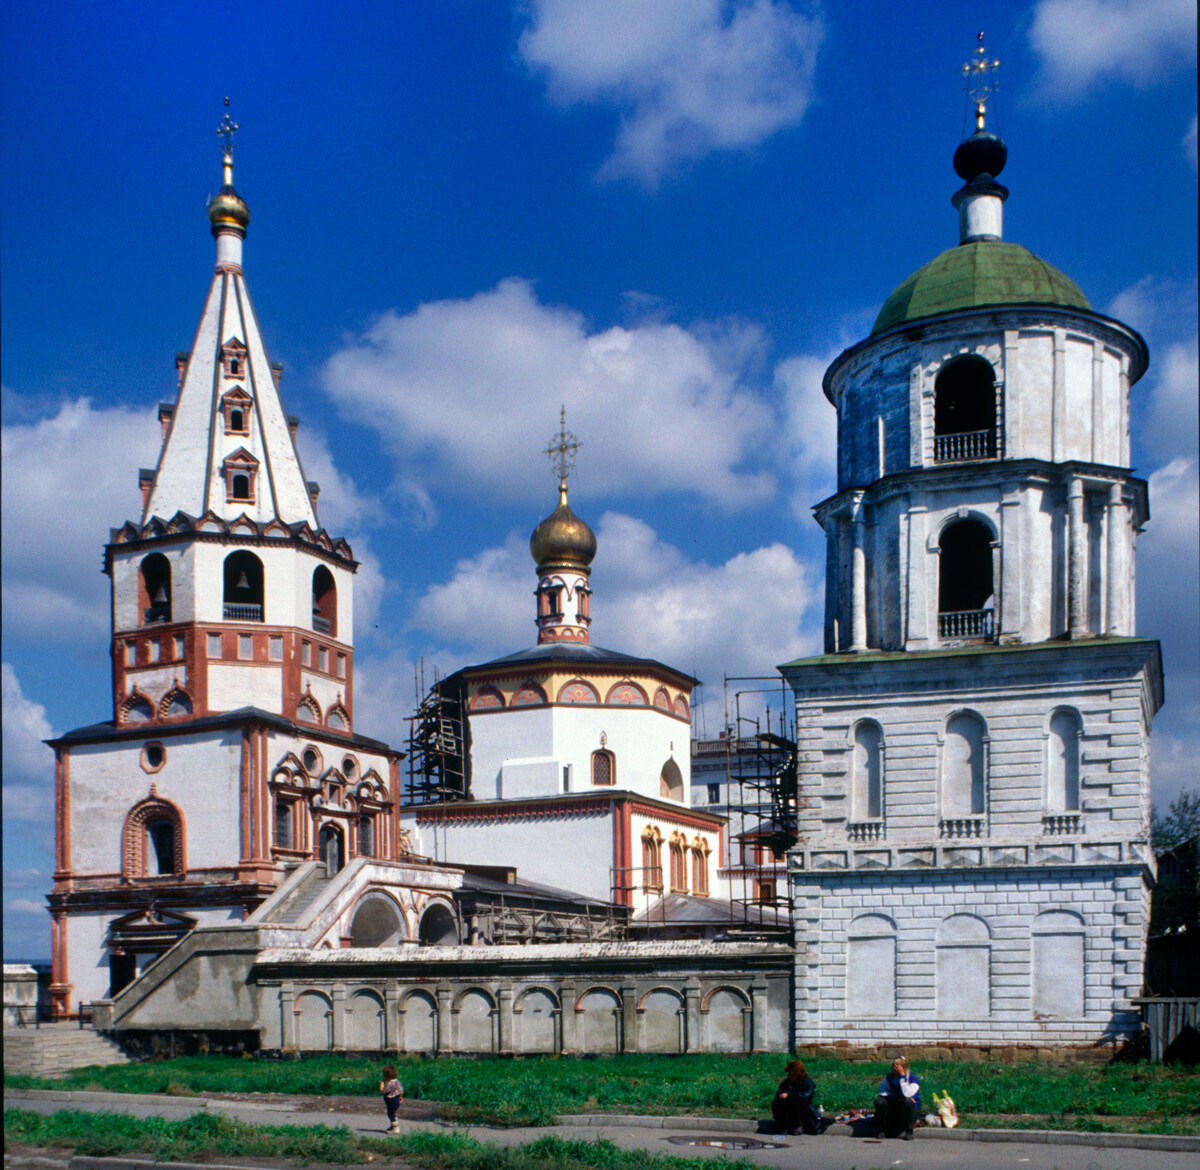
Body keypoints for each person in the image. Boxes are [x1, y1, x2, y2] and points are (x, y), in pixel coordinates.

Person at [874, 1056, 920, 1139]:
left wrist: (902, 1077)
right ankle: (885, 1130)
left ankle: (909, 1131)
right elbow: (883, 1093)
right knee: (879, 1102)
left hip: (909, 1112)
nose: (895, 1070)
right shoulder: (890, 1077)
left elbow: (906, 1093)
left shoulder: (913, 1079)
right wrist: (897, 1098)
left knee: (907, 1102)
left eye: (897, 1068)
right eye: (893, 1067)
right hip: (894, 1109)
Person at [772, 1059, 821, 1135]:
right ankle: (784, 1126)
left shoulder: (807, 1082)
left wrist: (790, 1095)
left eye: (790, 1073)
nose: (788, 1075)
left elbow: (805, 1096)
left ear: (797, 1073)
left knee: (798, 1102)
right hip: (788, 1112)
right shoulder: (786, 1083)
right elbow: (779, 1094)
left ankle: (799, 1126)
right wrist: (781, 1096)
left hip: (804, 1112)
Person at [379, 1064, 404, 1134]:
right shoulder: (397, 1082)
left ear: (387, 1076)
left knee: (391, 1114)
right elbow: (401, 1090)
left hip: (391, 1100)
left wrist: (381, 1084)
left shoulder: (389, 1084)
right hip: (397, 1100)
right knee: (393, 1113)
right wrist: (400, 1096)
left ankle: (396, 1128)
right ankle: (393, 1125)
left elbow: (383, 1091)